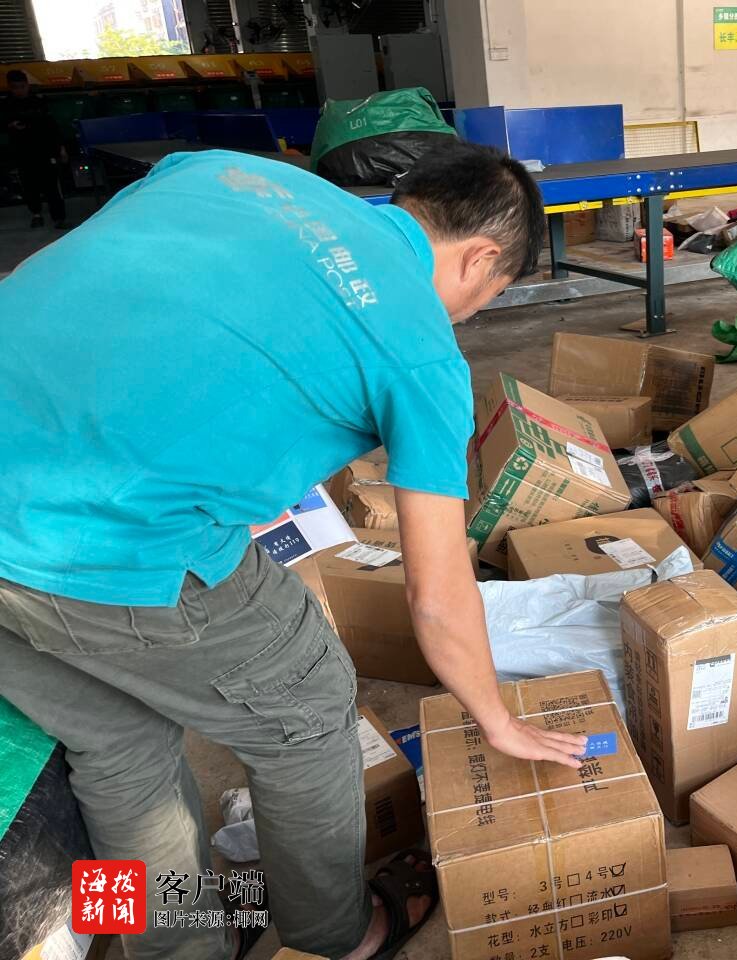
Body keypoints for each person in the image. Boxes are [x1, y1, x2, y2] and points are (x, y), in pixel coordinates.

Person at [0, 141, 583, 960]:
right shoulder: (419, 350)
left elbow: (135, 308)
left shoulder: (222, 170)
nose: (469, 317)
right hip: (103, 542)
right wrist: (497, 719)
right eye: (486, 299)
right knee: (306, 699)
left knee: (117, 744)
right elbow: (437, 594)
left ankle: (174, 944)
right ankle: (338, 932)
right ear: (482, 258)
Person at [1, 68, 67, 228]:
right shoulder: (6, 105)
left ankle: (59, 218)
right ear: (10, 87)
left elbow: (52, 127)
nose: (20, 91)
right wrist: (11, 125)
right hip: (22, 151)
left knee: (51, 186)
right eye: (15, 87)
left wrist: (61, 148)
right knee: (29, 185)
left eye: (22, 86)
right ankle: (36, 214)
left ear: (27, 85)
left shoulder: (38, 102)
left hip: (44, 150)